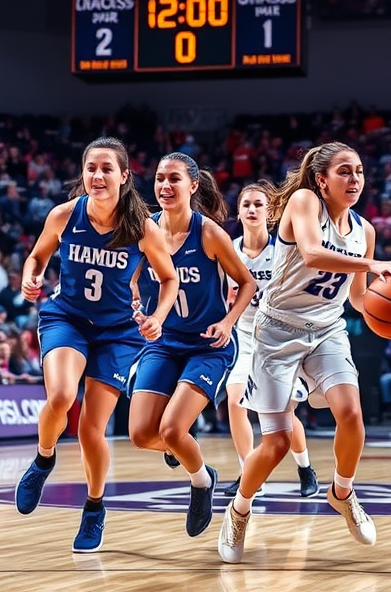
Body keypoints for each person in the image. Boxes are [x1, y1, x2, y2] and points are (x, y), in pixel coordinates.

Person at [217, 141, 391, 564]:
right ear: (322, 180)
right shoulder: (304, 201)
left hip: (326, 329)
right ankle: (238, 511)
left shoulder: (366, 231)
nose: (355, 179)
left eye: (360, 171)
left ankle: (342, 493)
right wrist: (374, 265)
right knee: (276, 443)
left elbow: (361, 300)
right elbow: (311, 252)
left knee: (353, 416)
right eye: (345, 171)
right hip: (276, 331)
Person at [13, 137, 178, 553]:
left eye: (107, 168)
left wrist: (157, 317)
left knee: (92, 428)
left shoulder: (142, 227)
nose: (97, 176)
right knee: (63, 396)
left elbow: (169, 279)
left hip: (118, 333)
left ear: (124, 176)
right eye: (91, 168)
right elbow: (37, 257)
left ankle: (94, 507)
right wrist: (30, 277)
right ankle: (43, 459)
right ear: (83, 173)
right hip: (67, 318)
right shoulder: (65, 215)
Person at [126, 152, 256, 538]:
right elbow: (127, 278)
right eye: (160, 178)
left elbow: (247, 283)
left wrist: (227, 322)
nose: (165, 186)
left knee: (171, 428)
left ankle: (201, 482)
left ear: (193, 186)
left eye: (175, 179)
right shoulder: (143, 230)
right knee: (139, 435)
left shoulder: (209, 233)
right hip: (163, 342)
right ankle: (188, 453)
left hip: (207, 346)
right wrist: (134, 304)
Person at [223, 180, 319, 498]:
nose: (252, 209)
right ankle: (250, 473)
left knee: (282, 412)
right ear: (238, 211)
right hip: (245, 334)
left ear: (271, 212)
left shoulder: (283, 250)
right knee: (235, 399)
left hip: (279, 335)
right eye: (246, 204)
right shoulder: (229, 250)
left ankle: (305, 468)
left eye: (258, 204)